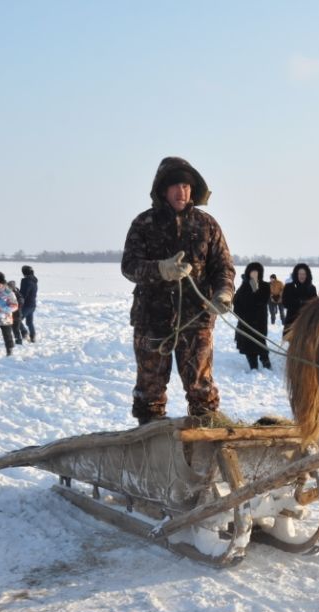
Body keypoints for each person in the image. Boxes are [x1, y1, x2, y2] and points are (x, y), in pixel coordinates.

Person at [121, 156, 235, 425]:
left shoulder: (207, 225)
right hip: (152, 320)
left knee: (202, 392)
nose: (181, 192)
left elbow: (224, 268)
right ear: (162, 190)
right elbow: (129, 266)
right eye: (174, 186)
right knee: (149, 394)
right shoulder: (143, 223)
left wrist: (224, 294)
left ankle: (203, 451)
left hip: (197, 320)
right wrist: (160, 269)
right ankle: (150, 451)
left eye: (185, 186)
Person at [233, 262, 271, 370]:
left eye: (256, 272)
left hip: (260, 321)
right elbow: (237, 302)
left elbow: (262, 300)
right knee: (248, 345)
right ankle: (253, 365)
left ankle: (266, 362)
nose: (254, 274)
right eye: (252, 272)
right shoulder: (243, 286)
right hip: (246, 322)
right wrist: (240, 315)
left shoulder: (265, 286)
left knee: (261, 343)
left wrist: (255, 286)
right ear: (248, 272)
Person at [282, 263, 316, 333]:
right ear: (296, 275)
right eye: (300, 274)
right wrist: (299, 302)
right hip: (291, 322)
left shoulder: (312, 288)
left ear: (307, 275)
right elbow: (285, 303)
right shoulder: (289, 287)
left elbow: (315, 304)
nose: (302, 276)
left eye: (304, 274)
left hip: (307, 323)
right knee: (289, 343)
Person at [19, 265, 38, 342]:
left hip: (26, 305)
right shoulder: (34, 281)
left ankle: (24, 332)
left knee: (17, 320)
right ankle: (33, 336)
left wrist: (19, 300)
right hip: (32, 305)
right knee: (29, 322)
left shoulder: (26, 281)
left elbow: (23, 294)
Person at [7, 278, 25, 344]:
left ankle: (19, 341)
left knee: (16, 329)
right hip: (11, 315)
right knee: (14, 329)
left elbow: (21, 301)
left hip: (17, 315)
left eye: (9, 287)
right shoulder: (8, 294)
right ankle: (19, 339)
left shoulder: (17, 294)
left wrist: (16, 305)